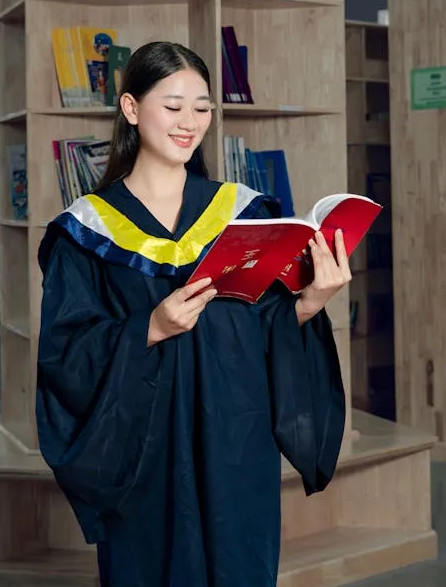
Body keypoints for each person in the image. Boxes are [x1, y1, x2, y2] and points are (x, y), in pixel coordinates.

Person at [36, 40, 349, 586]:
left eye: (202, 107)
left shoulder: (242, 215)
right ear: (131, 110)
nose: (190, 122)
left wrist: (309, 303)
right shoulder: (86, 233)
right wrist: (150, 328)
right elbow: (66, 356)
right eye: (173, 105)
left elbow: (263, 328)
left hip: (234, 445)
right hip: (144, 456)